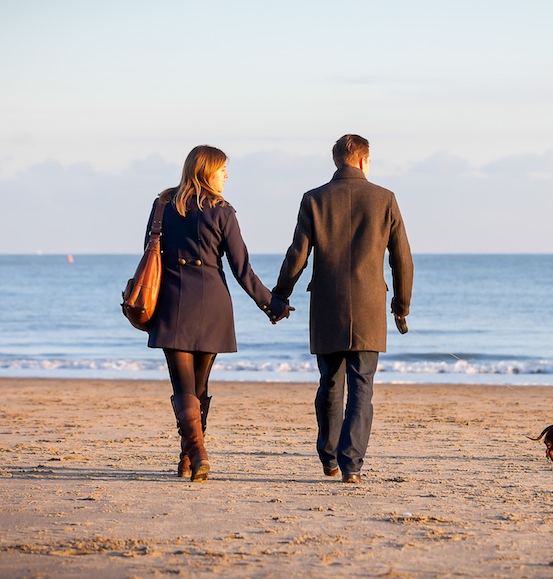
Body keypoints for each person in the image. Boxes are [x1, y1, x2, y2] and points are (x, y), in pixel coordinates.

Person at [273, 134, 413, 485]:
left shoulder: (314, 199)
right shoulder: (385, 198)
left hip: (327, 304)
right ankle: (352, 466)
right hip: (368, 306)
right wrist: (401, 304)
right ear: (365, 160)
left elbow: (297, 255)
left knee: (330, 384)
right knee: (362, 386)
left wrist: (280, 295)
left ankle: (329, 457)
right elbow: (401, 259)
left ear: (337, 161)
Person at [142, 145, 287, 482]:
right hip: (212, 305)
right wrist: (272, 305)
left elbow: (149, 252)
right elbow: (242, 270)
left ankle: (193, 455)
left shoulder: (162, 205)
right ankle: (193, 455)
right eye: (223, 169)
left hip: (173, 302)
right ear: (206, 171)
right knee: (199, 388)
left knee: (184, 388)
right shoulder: (223, 212)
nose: (227, 175)